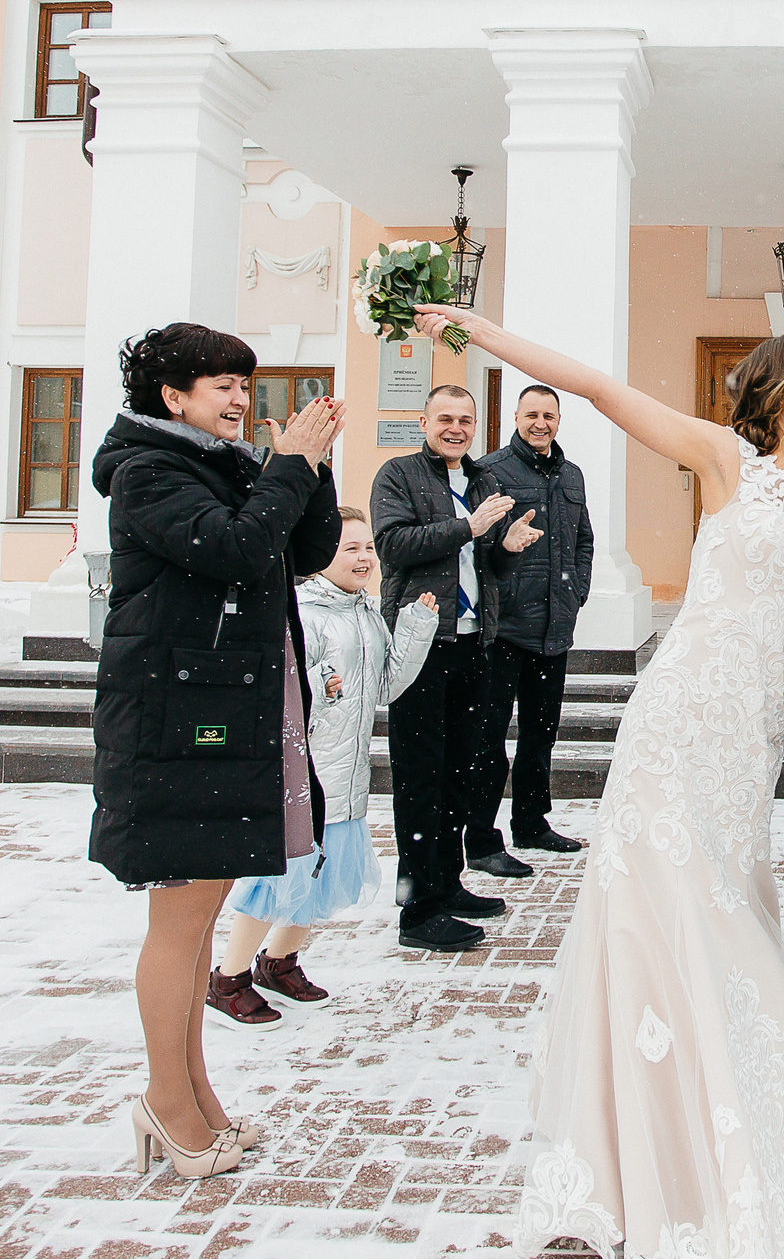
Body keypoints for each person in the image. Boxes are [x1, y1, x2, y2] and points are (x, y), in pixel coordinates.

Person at [409, 304, 784, 1259]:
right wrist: (481, 331)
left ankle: (731, 1122)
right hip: (681, 719)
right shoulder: (726, 457)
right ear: (778, 388)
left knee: (728, 909)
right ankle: (669, 1158)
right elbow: (598, 386)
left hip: (751, 733)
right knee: (677, 916)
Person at [87, 323, 344, 1180]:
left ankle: (194, 1093)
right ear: (173, 397)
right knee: (181, 920)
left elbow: (301, 550)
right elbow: (233, 548)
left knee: (200, 921)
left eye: (244, 382)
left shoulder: (223, 463)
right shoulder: (147, 471)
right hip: (176, 720)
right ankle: (167, 1099)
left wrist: (312, 465)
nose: (240, 397)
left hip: (225, 712)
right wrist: (289, 468)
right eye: (220, 384)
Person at [208, 508, 437, 1027]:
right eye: (348, 548)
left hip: (347, 775)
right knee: (278, 880)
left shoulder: (367, 612)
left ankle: (279, 962)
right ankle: (228, 978)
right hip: (303, 774)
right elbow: (282, 692)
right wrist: (319, 681)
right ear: (319, 556)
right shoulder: (301, 612)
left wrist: (416, 629)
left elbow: (385, 688)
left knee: (323, 875)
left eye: (367, 549)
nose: (362, 559)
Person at [371, 384, 545, 951]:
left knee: (461, 771)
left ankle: (449, 886)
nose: (456, 428)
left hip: (475, 644)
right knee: (421, 778)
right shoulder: (397, 475)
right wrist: (467, 530)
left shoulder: (482, 480)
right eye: (445, 418)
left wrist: (508, 546)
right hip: (421, 644)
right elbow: (394, 545)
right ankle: (419, 910)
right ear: (424, 422)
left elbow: (485, 566)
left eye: (466, 420)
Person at [476, 383, 594, 855]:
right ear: (516, 418)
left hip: (554, 629)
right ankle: (481, 835)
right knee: (489, 736)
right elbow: (479, 544)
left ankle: (531, 822)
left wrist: (577, 590)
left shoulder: (572, 476)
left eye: (549, 415)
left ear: (558, 421)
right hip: (504, 629)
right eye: (531, 415)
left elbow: (583, 540)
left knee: (540, 734)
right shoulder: (489, 471)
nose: (540, 423)